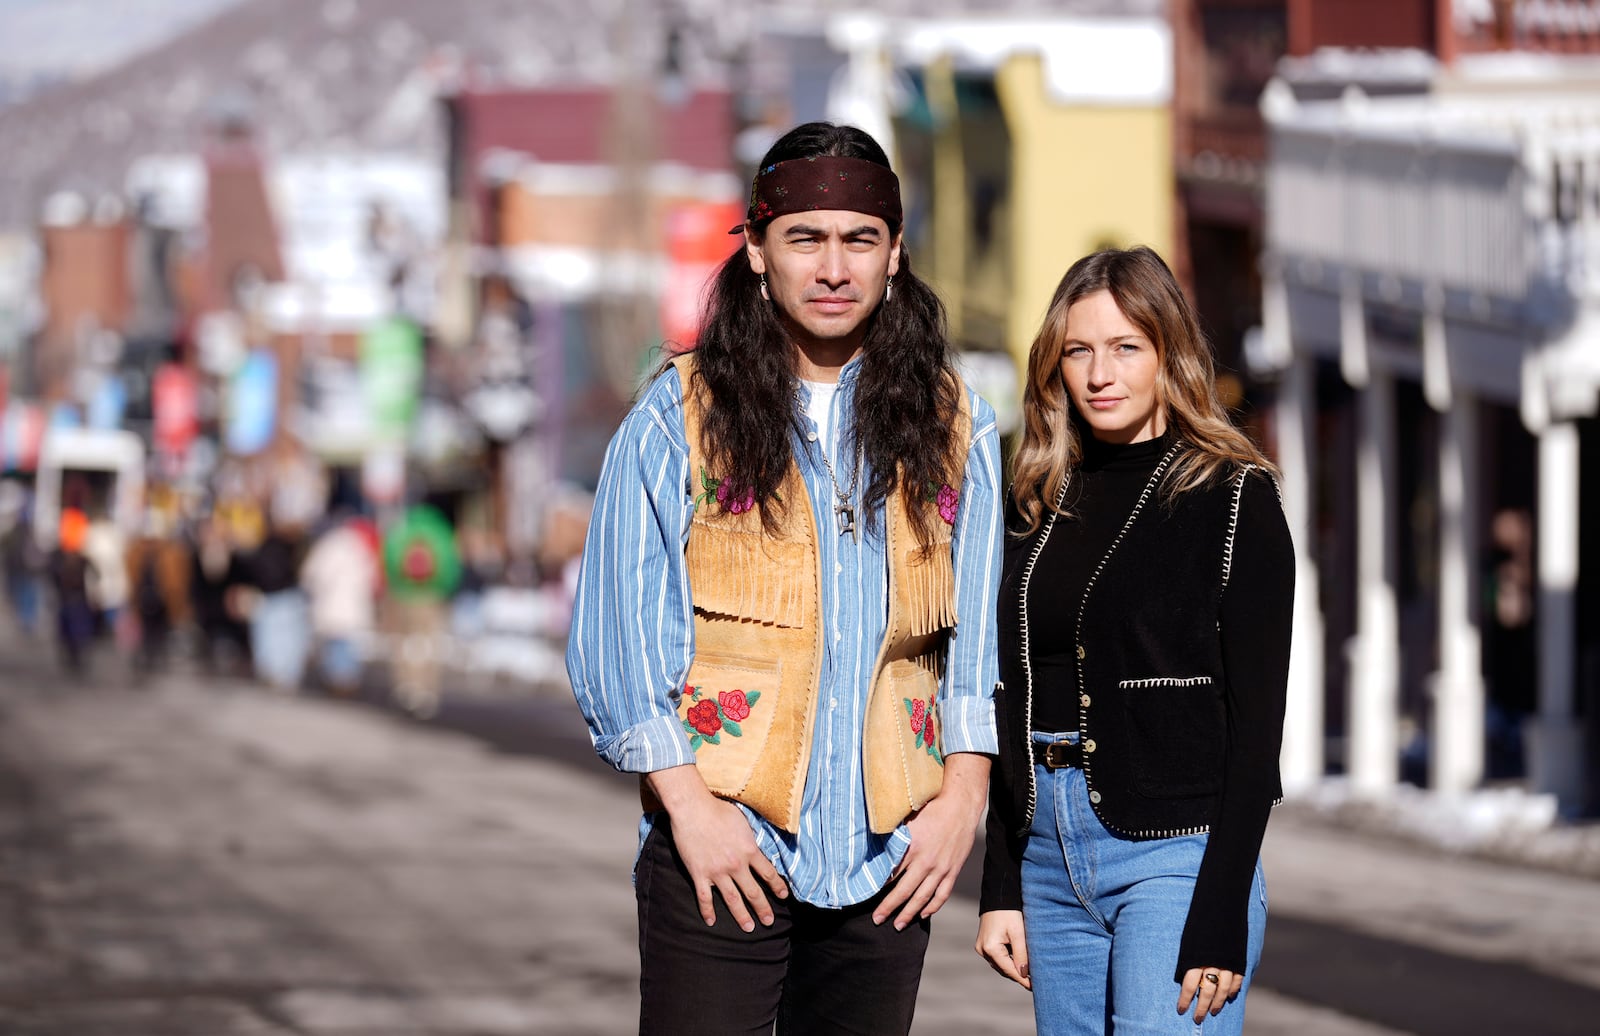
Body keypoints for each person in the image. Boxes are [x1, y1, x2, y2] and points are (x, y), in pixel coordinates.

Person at [567, 121, 1003, 1035]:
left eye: (860, 239)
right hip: (724, 849)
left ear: (896, 257)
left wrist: (962, 800)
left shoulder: (961, 427)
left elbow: (978, 646)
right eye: (806, 238)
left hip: (891, 860)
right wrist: (690, 812)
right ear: (759, 251)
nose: (833, 267)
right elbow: (619, 646)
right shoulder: (674, 419)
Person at [975, 246, 1293, 1035]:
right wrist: (1001, 881)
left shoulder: (1232, 497)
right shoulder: (1038, 497)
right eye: (1079, 350)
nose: (1099, 374)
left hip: (1174, 856)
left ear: (1168, 355)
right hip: (1047, 855)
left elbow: (1256, 735)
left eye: (1126, 348)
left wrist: (1220, 908)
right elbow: (1010, 693)